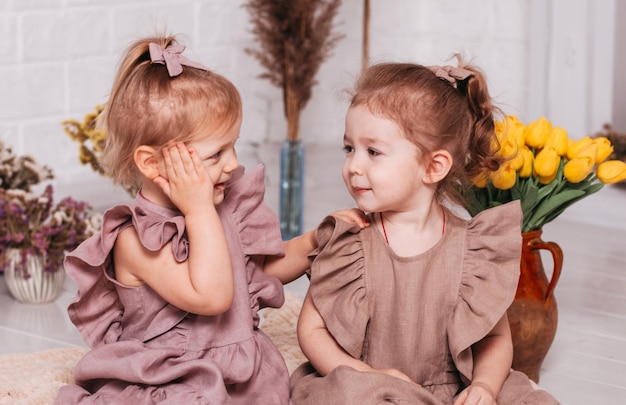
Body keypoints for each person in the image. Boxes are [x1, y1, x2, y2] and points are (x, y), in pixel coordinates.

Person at [54, 35, 367, 404]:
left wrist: (314, 240)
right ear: (153, 165)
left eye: (233, 145)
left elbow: (256, 273)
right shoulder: (135, 240)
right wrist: (199, 209)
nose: (233, 164)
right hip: (172, 375)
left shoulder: (226, 207)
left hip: (241, 370)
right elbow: (214, 296)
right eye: (216, 153)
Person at [290, 59, 561, 404]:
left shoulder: (473, 249)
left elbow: (494, 340)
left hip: (454, 386)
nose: (353, 166)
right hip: (369, 384)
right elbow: (312, 330)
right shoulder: (349, 240)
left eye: (373, 152)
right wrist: (361, 373)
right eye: (349, 149)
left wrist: (483, 387)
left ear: (433, 167)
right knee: (339, 394)